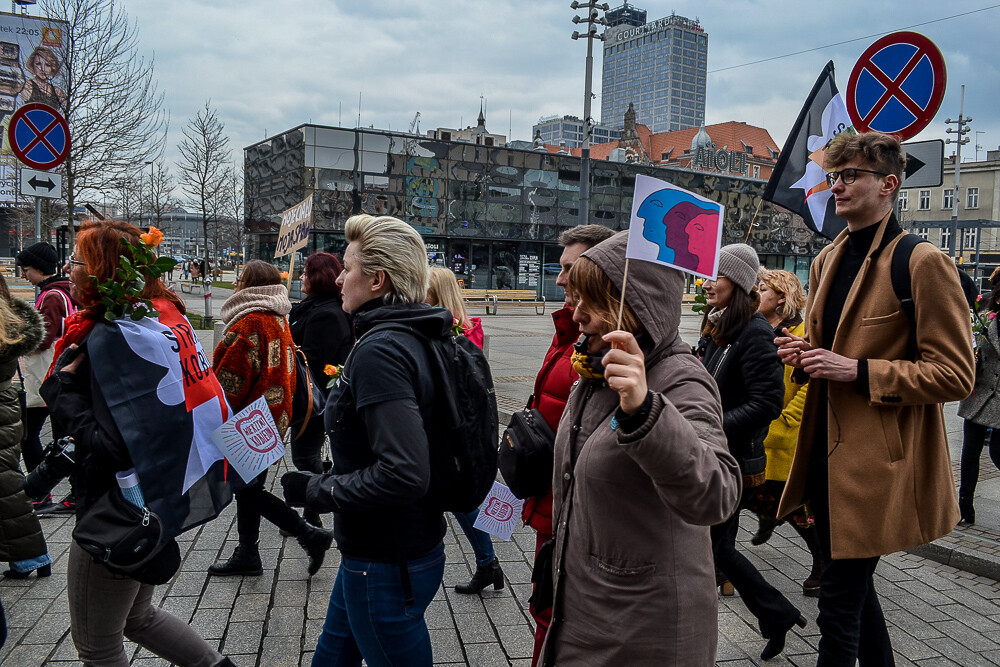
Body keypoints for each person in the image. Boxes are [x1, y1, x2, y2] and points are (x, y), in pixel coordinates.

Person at [776, 131, 975, 666]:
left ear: (888, 185)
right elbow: (833, 348)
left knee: (837, 608)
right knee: (857, 598)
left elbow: (956, 374)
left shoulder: (922, 261)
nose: (836, 186)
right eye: (834, 176)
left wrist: (858, 370)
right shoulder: (827, 259)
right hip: (819, 456)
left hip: (874, 468)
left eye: (850, 176)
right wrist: (806, 353)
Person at [38, 219, 236, 667]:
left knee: (97, 644)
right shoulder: (160, 317)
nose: (70, 269)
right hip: (161, 495)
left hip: (119, 509)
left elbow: (112, 445)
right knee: (139, 617)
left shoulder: (115, 338)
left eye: (78, 260)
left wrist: (62, 392)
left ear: (102, 271)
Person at [539, 231, 741, 665]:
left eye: (590, 303)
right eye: (576, 300)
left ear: (633, 308)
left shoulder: (679, 377)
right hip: (585, 614)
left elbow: (717, 492)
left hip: (645, 633)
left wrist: (648, 411)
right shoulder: (597, 368)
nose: (577, 316)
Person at [280, 214, 449, 666]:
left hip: (387, 560)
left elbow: (404, 472)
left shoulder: (382, 350)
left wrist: (318, 488)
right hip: (389, 548)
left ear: (377, 280)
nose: (339, 278)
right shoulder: (421, 330)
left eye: (349, 268)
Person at [697, 244, 805, 661]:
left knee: (711, 547)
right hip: (714, 454)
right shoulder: (718, 327)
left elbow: (767, 402)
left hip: (736, 461)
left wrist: (712, 426)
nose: (707, 283)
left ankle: (775, 614)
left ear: (738, 284)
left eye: (716, 276)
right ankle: (776, 614)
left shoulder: (756, 333)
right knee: (716, 548)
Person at [521, 223, 613, 665]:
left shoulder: (608, 349)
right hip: (550, 503)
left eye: (570, 270)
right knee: (546, 610)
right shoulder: (570, 335)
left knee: (556, 615)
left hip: (573, 515)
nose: (559, 280)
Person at [208, 260, 333, 578]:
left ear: (248, 284)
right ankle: (248, 553)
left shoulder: (249, 322)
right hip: (273, 416)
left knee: (247, 489)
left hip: (248, 419)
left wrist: (211, 413)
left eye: (240, 279)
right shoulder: (277, 317)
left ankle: (308, 534)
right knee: (249, 487)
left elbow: (230, 382)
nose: (236, 284)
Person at [747, 269, 825, 597]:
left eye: (763, 288)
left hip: (783, 436)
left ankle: (823, 564)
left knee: (791, 505)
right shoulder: (758, 329)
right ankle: (766, 520)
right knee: (752, 495)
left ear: (782, 297)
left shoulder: (802, 333)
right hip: (758, 433)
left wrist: (784, 424)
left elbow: (810, 390)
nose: (756, 293)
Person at [425, 266, 499, 594]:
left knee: (460, 501)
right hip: (456, 431)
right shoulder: (462, 330)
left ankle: (487, 563)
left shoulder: (456, 335)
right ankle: (488, 564)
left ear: (436, 295)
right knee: (460, 501)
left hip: (455, 432)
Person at [288, 252, 353, 528]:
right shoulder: (314, 308)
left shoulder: (326, 314)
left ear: (317, 277)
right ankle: (311, 514)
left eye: (305, 272)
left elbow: (312, 359)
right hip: (312, 396)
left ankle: (314, 514)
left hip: (316, 397)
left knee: (304, 456)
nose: (301, 277)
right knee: (305, 455)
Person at [15, 241, 76, 514]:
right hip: (58, 375)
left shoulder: (51, 296)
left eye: (26, 269)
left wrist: (18, 340)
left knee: (28, 435)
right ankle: (76, 491)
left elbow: (43, 337)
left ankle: (40, 491)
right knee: (66, 435)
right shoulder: (64, 291)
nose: (24, 275)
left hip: (45, 377)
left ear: (39, 269)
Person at [0, 275, 51, 579]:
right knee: (6, 480)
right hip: (6, 403)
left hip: (2, 407)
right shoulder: (8, 316)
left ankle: (31, 556)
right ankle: (30, 556)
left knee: (6, 485)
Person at [957, 286, 1000, 525]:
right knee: (970, 453)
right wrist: (970, 357)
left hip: (999, 399)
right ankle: (965, 507)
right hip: (979, 394)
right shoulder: (983, 320)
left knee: (997, 453)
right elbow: (966, 346)